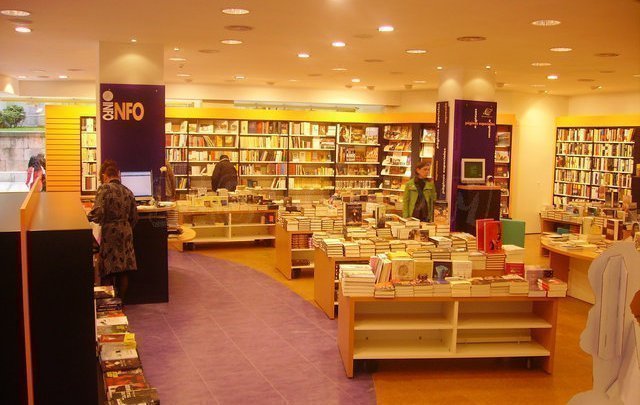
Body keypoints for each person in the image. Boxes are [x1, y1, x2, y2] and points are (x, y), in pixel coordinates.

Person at [88, 160, 138, 301]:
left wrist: (86, 217)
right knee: (123, 270)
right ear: (118, 175)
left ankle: (108, 304)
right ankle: (121, 303)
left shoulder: (104, 189)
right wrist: (125, 227)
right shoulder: (128, 191)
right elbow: (134, 217)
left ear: (105, 176)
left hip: (110, 233)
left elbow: (97, 214)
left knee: (107, 270)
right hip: (125, 232)